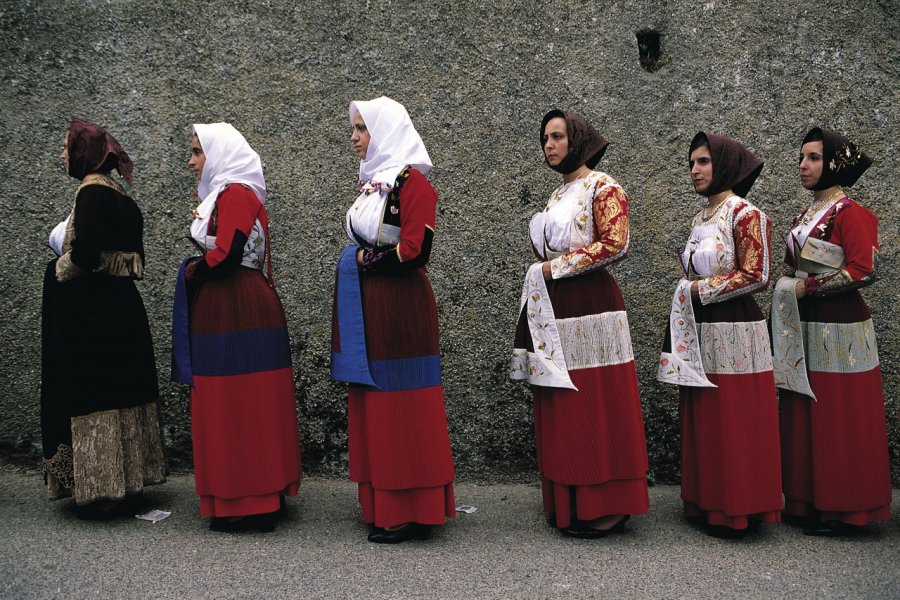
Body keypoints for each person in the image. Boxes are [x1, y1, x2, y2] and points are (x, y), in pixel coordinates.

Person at [511, 109, 649, 538]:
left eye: (556, 137)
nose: (549, 145)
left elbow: (616, 243)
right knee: (563, 400)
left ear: (577, 139)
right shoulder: (558, 195)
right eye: (544, 138)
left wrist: (557, 268)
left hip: (592, 304)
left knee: (595, 399)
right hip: (555, 306)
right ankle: (569, 498)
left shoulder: (602, 186)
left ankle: (606, 503)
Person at [331, 96, 455, 544]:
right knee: (377, 400)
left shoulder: (412, 185)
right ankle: (383, 501)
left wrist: (365, 258)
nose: (355, 138)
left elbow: (415, 249)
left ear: (383, 131)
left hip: (401, 305)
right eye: (355, 129)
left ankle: (410, 507)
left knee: (403, 400)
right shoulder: (374, 184)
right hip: (369, 303)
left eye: (362, 129)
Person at [176, 123, 301, 533]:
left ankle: (252, 501)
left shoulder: (233, 193)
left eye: (197, 152)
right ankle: (254, 495)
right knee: (244, 398)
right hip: (236, 303)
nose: (192, 161)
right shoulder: (232, 194)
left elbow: (227, 252)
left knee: (238, 398)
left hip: (236, 307)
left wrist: (196, 270)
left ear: (220, 154)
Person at [657, 132, 781, 538]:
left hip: (736, 327)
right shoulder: (701, 219)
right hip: (701, 325)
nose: (694, 170)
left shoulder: (745, 214)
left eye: (703, 162)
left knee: (735, 411)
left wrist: (698, 289)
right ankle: (707, 500)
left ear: (725, 165)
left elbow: (757, 274)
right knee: (706, 408)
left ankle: (739, 507)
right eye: (691, 163)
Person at [41, 117, 165, 519]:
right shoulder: (121, 195)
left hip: (92, 313)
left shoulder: (91, 192)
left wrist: (58, 269)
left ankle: (102, 487)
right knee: (122, 389)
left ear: (83, 153)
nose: (62, 154)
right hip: (122, 307)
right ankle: (128, 482)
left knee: (95, 392)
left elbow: (87, 253)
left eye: (66, 146)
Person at [773, 127, 891, 536]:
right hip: (802, 318)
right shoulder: (806, 214)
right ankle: (806, 499)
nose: (803, 166)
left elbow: (865, 269)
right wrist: (789, 284)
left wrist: (809, 286)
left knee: (837, 408)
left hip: (839, 323)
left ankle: (844, 507)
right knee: (806, 402)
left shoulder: (851, 213)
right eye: (802, 157)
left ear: (835, 164)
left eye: (814, 158)